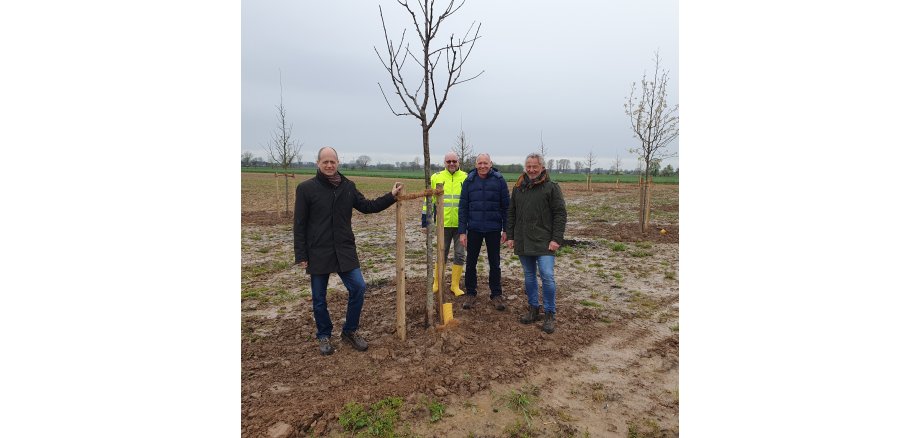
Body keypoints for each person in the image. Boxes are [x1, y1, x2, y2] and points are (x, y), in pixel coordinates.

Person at [294, 146, 403, 356]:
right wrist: (301, 254)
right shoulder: (306, 188)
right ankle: (324, 334)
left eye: (332, 162)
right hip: (318, 251)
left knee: (359, 288)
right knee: (319, 298)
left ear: (338, 163)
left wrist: (391, 196)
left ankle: (350, 331)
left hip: (344, 249)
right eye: (325, 161)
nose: (329, 165)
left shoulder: (348, 187)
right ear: (318, 163)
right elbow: (299, 224)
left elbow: (367, 206)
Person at [506, 153, 567, 334]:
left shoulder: (551, 188)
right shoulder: (518, 188)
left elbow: (560, 214)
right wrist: (510, 235)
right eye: (529, 166)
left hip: (545, 242)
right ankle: (533, 308)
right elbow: (511, 213)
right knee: (529, 276)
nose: (531, 170)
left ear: (542, 168)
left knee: (547, 276)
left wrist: (556, 239)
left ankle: (549, 313)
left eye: (535, 166)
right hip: (523, 240)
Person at [458, 153, 510, 311]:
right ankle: (471, 293)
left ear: (491, 163)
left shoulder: (499, 180)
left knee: (495, 263)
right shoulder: (469, 181)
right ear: (475, 165)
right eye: (479, 163)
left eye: (485, 163)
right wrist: (462, 231)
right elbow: (463, 208)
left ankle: (496, 294)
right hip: (474, 228)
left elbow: (506, 207)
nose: (482, 166)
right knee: (471, 263)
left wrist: (506, 229)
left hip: (493, 229)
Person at [421, 152, 468, 296]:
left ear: (458, 162)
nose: (452, 164)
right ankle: (437, 283)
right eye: (449, 161)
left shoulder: (466, 178)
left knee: (460, 255)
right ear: (444, 162)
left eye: (454, 161)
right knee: (442, 253)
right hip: (443, 224)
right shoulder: (436, 178)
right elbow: (428, 202)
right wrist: (425, 222)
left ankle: (455, 286)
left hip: (461, 225)